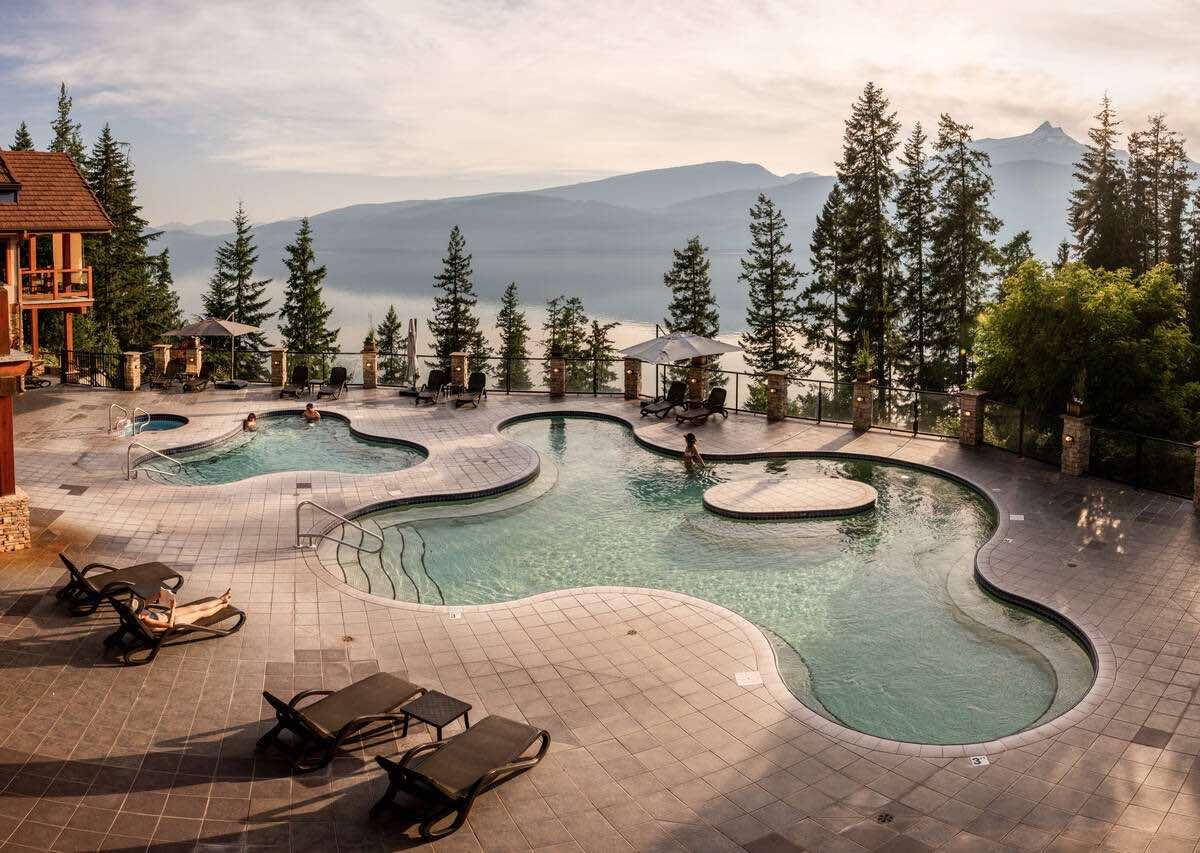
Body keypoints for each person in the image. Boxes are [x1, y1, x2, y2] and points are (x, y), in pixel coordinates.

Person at [134, 587, 233, 634]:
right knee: (200, 613)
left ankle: (221, 599)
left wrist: (159, 595)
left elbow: (146, 602)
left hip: (166, 615)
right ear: (139, 613)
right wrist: (172, 608)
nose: (142, 605)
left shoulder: (134, 611)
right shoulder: (145, 620)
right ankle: (223, 605)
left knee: (196, 607)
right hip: (175, 622)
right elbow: (170, 625)